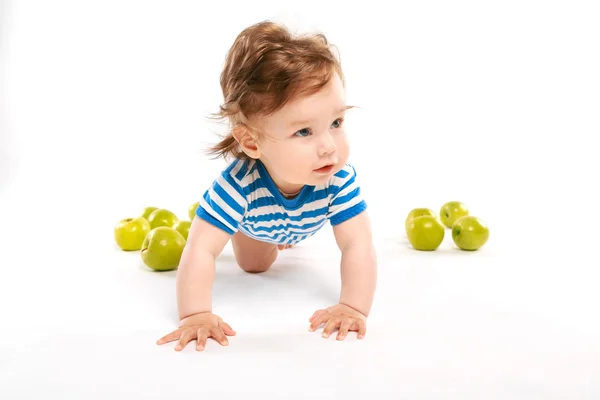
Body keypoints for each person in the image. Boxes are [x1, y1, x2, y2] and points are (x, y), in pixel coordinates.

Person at [156, 20, 377, 352]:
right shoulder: (237, 187)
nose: (329, 146)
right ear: (252, 142)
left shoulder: (337, 179)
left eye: (336, 122)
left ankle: (283, 230)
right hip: (256, 223)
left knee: (280, 248)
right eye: (304, 132)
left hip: (293, 221)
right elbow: (200, 251)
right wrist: (196, 314)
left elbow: (357, 244)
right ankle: (233, 226)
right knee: (254, 265)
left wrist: (353, 306)